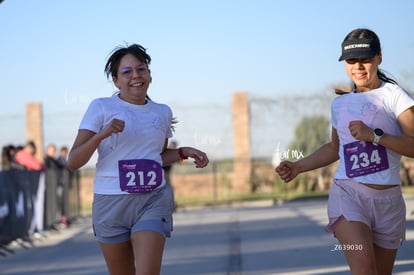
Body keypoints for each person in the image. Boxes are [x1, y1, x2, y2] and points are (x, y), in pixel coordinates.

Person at [275, 28, 414, 275]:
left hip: (389, 203)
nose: (358, 67)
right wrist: (298, 166)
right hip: (348, 195)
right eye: (351, 61)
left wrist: (375, 136)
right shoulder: (340, 104)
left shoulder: (395, 97)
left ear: (379, 57)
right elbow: (334, 149)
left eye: (365, 59)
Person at [67, 43, 209, 275]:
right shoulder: (101, 107)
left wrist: (184, 152)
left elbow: (157, 158)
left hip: (152, 200)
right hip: (110, 202)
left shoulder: (162, 112)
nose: (136, 76)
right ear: (115, 80)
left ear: (150, 75)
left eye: (141, 69)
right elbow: (73, 161)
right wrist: (102, 134)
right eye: (127, 72)